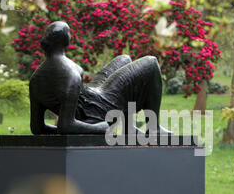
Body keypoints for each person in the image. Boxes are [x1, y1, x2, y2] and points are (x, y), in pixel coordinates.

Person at [29, 21, 170, 135]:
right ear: (66, 39)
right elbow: (66, 125)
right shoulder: (70, 74)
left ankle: (129, 128)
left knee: (124, 58)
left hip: (91, 97)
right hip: (100, 111)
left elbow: (37, 128)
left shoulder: (35, 79)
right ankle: (154, 128)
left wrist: (60, 132)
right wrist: (97, 128)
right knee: (151, 63)